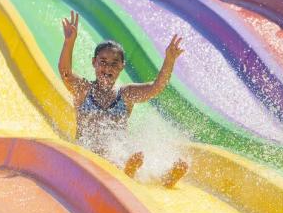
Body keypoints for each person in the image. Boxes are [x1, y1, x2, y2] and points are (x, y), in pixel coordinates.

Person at [58, 11, 188, 188]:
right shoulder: (84, 90)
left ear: (122, 67)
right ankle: (129, 172)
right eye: (103, 62)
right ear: (94, 62)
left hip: (118, 156)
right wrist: (69, 42)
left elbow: (156, 87)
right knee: (116, 156)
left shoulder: (126, 94)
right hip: (87, 158)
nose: (108, 68)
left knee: (125, 154)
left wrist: (169, 60)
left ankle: (163, 177)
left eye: (114, 64)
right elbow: (65, 73)